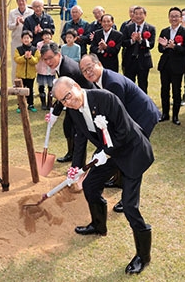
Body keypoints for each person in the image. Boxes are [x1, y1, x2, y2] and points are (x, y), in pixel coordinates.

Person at [52, 77, 154, 275]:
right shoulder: (74, 111)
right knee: (90, 185)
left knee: (130, 206)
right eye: (63, 101)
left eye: (68, 96)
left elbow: (124, 132)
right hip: (109, 153)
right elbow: (81, 137)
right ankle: (98, 225)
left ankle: (143, 256)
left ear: (77, 87)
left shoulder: (106, 99)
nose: (68, 103)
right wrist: (76, 168)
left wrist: (105, 152)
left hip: (132, 151)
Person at [79, 53, 161, 213]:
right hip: (132, 115)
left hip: (142, 116)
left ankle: (128, 199)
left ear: (99, 64)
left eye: (90, 67)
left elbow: (117, 117)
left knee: (132, 155)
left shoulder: (113, 83)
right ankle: (118, 181)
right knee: (121, 150)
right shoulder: (98, 82)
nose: (88, 72)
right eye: (84, 71)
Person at [41, 42, 94, 163]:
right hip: (73, 100)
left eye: (50, 58)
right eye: (45, 60)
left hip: (85, 101)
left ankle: (78, 162)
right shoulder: (61, 64)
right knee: (68, 126)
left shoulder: (67, 69)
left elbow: (64, 96)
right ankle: (71, 154)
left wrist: (55, 114)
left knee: (79, 132)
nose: (48, 62)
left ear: (58, 55)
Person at [157, 7, 185, 125]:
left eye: (176, 16)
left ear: (181, 18)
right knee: (164, 90)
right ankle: (165, 114)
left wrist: (174, 47)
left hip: (177, 66)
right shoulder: (164, 31)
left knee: (176, 91)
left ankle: (175, 116)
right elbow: (160, 49)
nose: (174, 18)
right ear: (168, 18)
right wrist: (164, 46)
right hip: (165, 65)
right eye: (172, 16)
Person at [121, 6, 155, 94]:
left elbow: (151, 45)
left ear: (145, 15)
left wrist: (140, 41)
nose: (138, 16)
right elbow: (123, 43)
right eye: (136, 14)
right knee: (129, 85)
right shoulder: (128, 27)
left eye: (140, 14)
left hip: (143, 61)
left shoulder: (150, 28)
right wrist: (132, 40)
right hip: (130, 61)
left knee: (143, 85)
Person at [8, 0, 34, 80]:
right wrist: (15, 24)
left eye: (23, 1)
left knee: (28, 63)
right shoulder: (12, 12)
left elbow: (32, 26)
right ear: (17, 2)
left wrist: (24, 23)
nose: (21, 3)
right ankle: (15, 83)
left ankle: (28, 84)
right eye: (19, 1)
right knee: (16, 63)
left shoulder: (31, 12)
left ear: (26, 2)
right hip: (16, 41)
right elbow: (9, 26)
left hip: (28, 42)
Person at [14, 30, 40, 112]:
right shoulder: (18, 49)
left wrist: (30, 57)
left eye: (28, 38)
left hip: (30, 74)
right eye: (24, 38)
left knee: (30, 90)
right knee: (20, 90)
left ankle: (31, 104)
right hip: (21, 74)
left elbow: (36, 61)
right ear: (21, 39)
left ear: (31, 39)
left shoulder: (35, 50)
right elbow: (17, 59)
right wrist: (24, 57)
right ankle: (20, 105)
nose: (26, 40)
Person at [35, 29, 56, 111]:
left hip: (51, 69)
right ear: (42, 36)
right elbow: (39, 55)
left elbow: (55, 55)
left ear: (51, 36)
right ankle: (43, 102)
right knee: (41, 86)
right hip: (42, 69)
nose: (47, 36)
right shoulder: (39, 44)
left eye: (48, 34)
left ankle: (49, 103)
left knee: (51, 87)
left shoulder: (54, 44)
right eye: (45, 35)